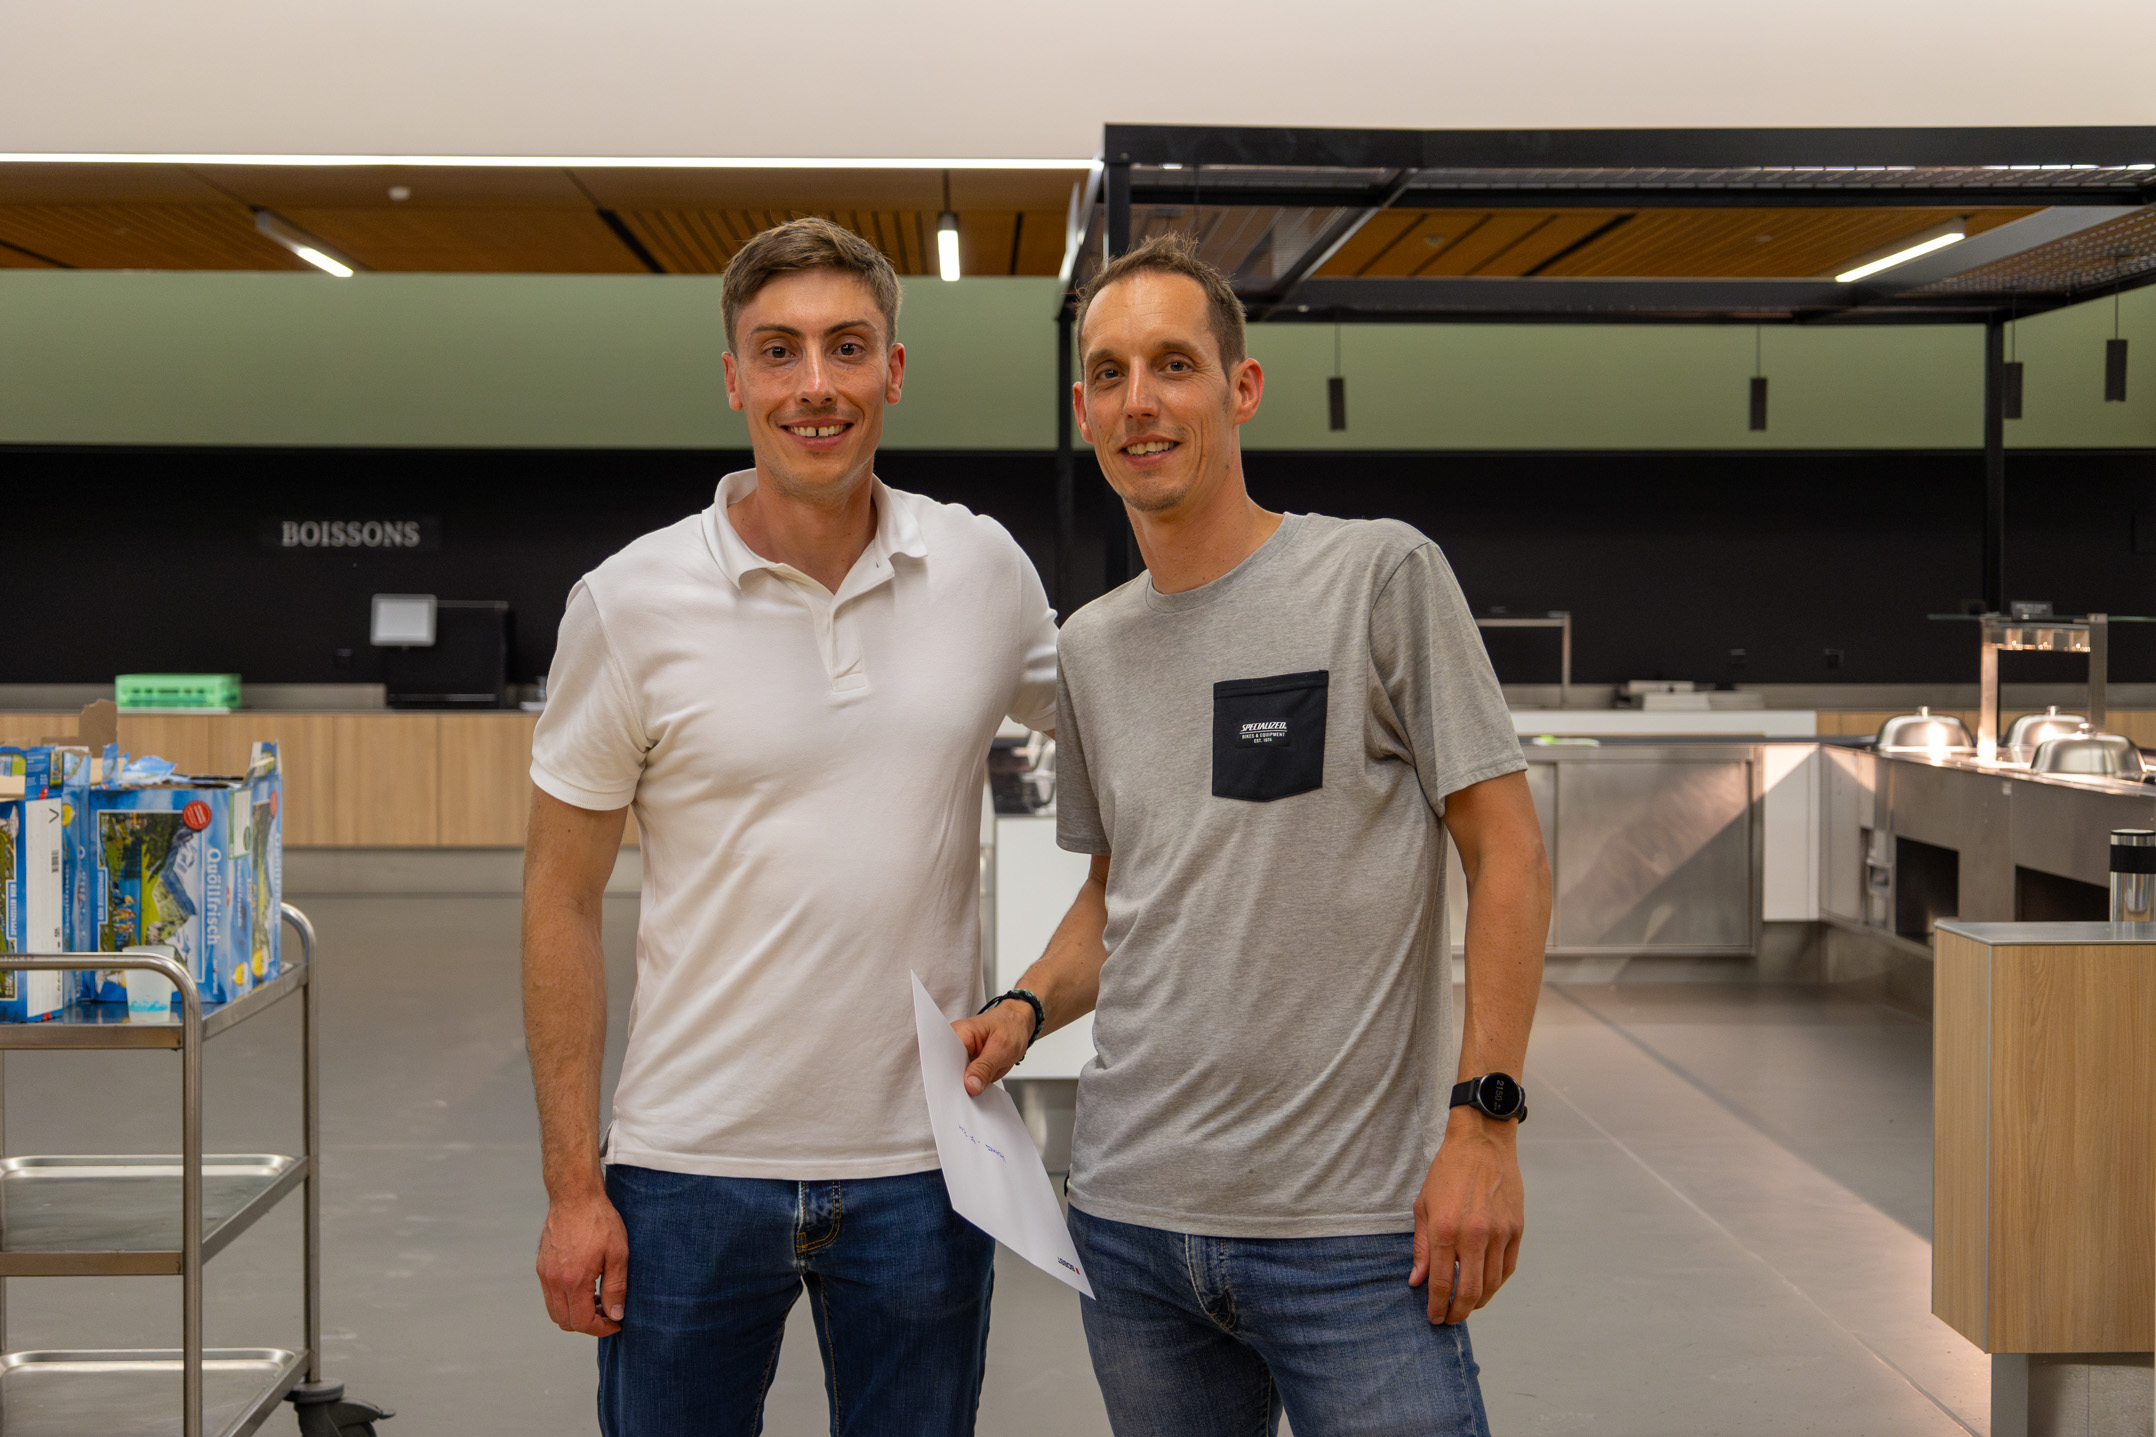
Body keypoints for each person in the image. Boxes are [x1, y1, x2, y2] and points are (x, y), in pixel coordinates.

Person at [956, 233, 1551, 1437]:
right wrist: (1022, 1007)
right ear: (1083, 409)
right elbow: (1123, 893)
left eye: (1172, 364)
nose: (1139, 401)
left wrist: (1482, 1123)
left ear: (1240, 387)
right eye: (1110, 374)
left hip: (1351, 1236)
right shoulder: (1091, 647)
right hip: (1130, 1228)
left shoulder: (1375, 577)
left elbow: (1507, 855)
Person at [521, 216, 1057, 1437]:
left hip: (924, 1171)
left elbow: (1125, 738)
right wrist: (572, 1188)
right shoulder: (627, 602)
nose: (815, 384)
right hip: (686, 1169)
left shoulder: (981, 570)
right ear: (734, 379)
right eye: (779, 351)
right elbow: (558, 899)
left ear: (893, 370)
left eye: (846, 347)